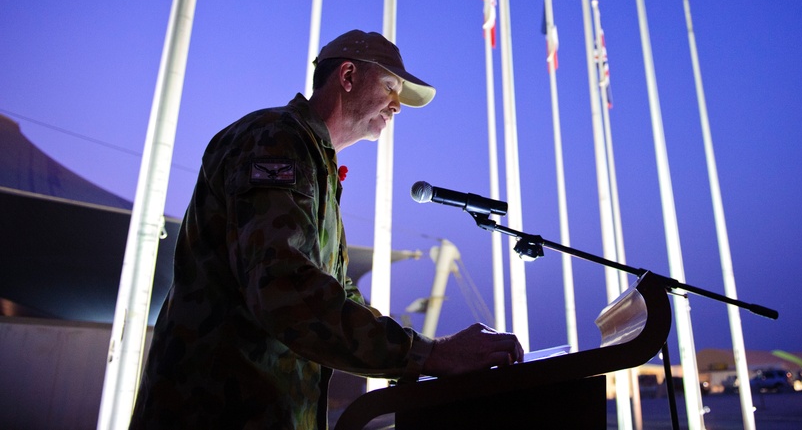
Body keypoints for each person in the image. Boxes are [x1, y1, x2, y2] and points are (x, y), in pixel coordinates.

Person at [129, 30, 523, 429]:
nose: (398, 106)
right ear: (347, 76)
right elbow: (286, 288)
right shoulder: (276, 140)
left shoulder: (315, 163)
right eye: (390, 86)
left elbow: (336, 293)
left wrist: (427, 355)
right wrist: (430, 354)